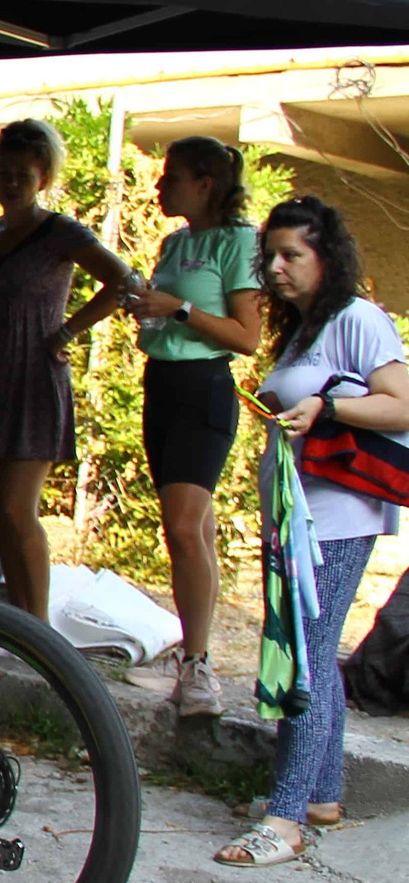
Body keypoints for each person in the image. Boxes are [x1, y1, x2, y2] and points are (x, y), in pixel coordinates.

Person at [219, 199, 409, 865]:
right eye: (269, 255)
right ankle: (321, 795)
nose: (275, 268)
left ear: (327, 258)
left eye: (291, 255)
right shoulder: (303, 327)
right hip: (299, 515)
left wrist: (328, 405)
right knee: (318, 654)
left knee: (304, 654)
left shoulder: (358, 318)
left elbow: (403, 400)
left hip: (338, 518)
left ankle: (286, 818)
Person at [0, 119, 135, 620]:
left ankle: (38, 631)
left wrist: (65, 333)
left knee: (21, 511)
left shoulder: (60, 232)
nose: (12, 182)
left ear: (43, 177)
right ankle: (22, 621)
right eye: (4, 171)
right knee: (3, 513)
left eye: (23, 173)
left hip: (36, 377)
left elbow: (122, 282)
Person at [123, 136, 265, 718]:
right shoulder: (175, 241)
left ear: (206, 184)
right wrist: (147, 307)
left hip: (205, 386)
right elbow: (165, 309)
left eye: (173, 177)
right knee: (189, 530)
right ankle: (190, 651)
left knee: (184, 530)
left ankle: (200, 669)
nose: (161, 187)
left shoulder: (239, 241)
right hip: (162, 385)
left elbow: (247, 338)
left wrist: (177, 309)